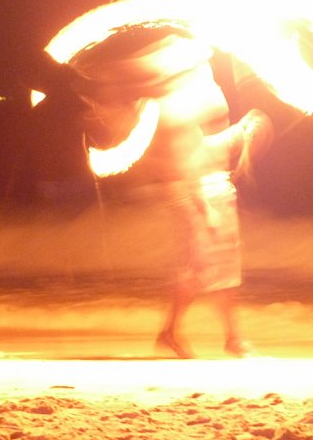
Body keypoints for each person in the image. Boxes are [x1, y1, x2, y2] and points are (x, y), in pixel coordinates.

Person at [66, 28, 272, 358]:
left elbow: (210, 144)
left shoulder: (204, 89)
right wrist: (199, 206)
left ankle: (225, 337)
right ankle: (179, 332)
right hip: (187, 189)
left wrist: (244, 130)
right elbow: (181, 157)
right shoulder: (167, 106)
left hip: (214, 183)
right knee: (200, 265)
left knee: (222, 265)